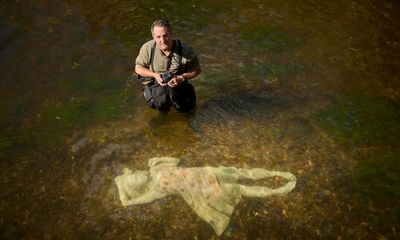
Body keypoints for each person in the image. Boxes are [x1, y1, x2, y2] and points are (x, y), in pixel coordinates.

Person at [115, 157, 297, 236]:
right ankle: (275, 191)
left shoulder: (155, 168)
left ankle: (274, 173)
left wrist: (158, 159)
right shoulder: (154, 192)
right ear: (137, 186)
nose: (137, 177)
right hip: (202, 192)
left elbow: (176, 161)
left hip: (205, 173)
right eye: (133, 181)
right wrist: (119, 182)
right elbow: (126, 202)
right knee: (238, 189)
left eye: (134, 175)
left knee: (240, 172)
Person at [135, 19, 201, 112]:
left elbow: (197, 70)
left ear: (171, 34)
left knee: (187, 108)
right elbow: (138, 68)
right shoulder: (147, 48)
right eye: (158, 37)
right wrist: (155, 75)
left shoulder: (185, 50)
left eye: (165, 35)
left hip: (179, 84)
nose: (162, 40)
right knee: (161, 104)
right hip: (156, 85)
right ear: (153, 37)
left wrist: (181, 77)